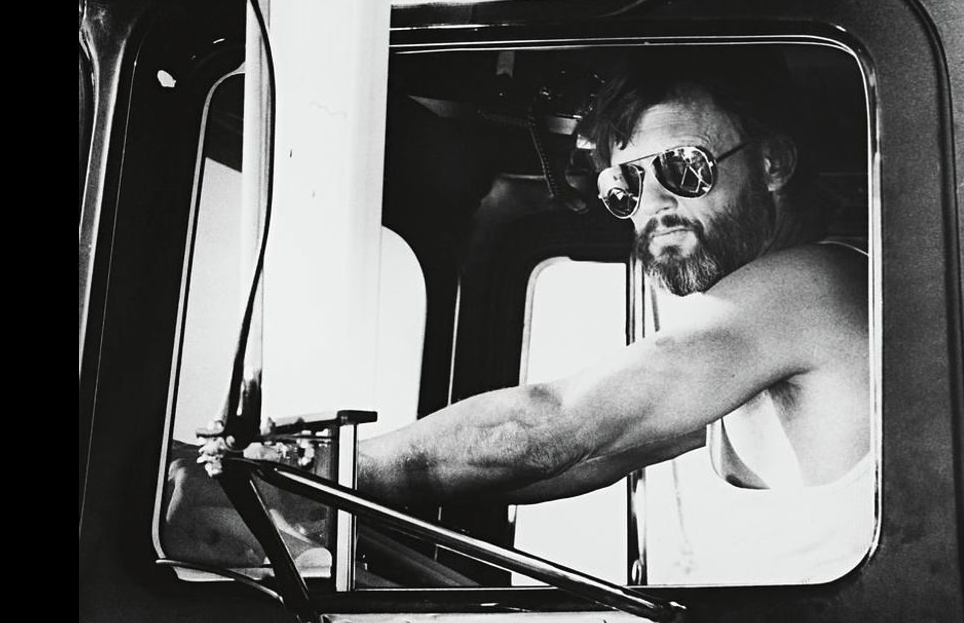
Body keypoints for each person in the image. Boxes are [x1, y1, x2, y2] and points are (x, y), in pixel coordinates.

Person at [165, 52, 873, 579]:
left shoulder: (816, 284)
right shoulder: (747, 350)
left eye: (683, 168)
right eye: (625, 186)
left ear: (773, 163)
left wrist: (307, 470)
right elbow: (587, 456)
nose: (654, 206)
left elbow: (552, 427)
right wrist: (322, 505)